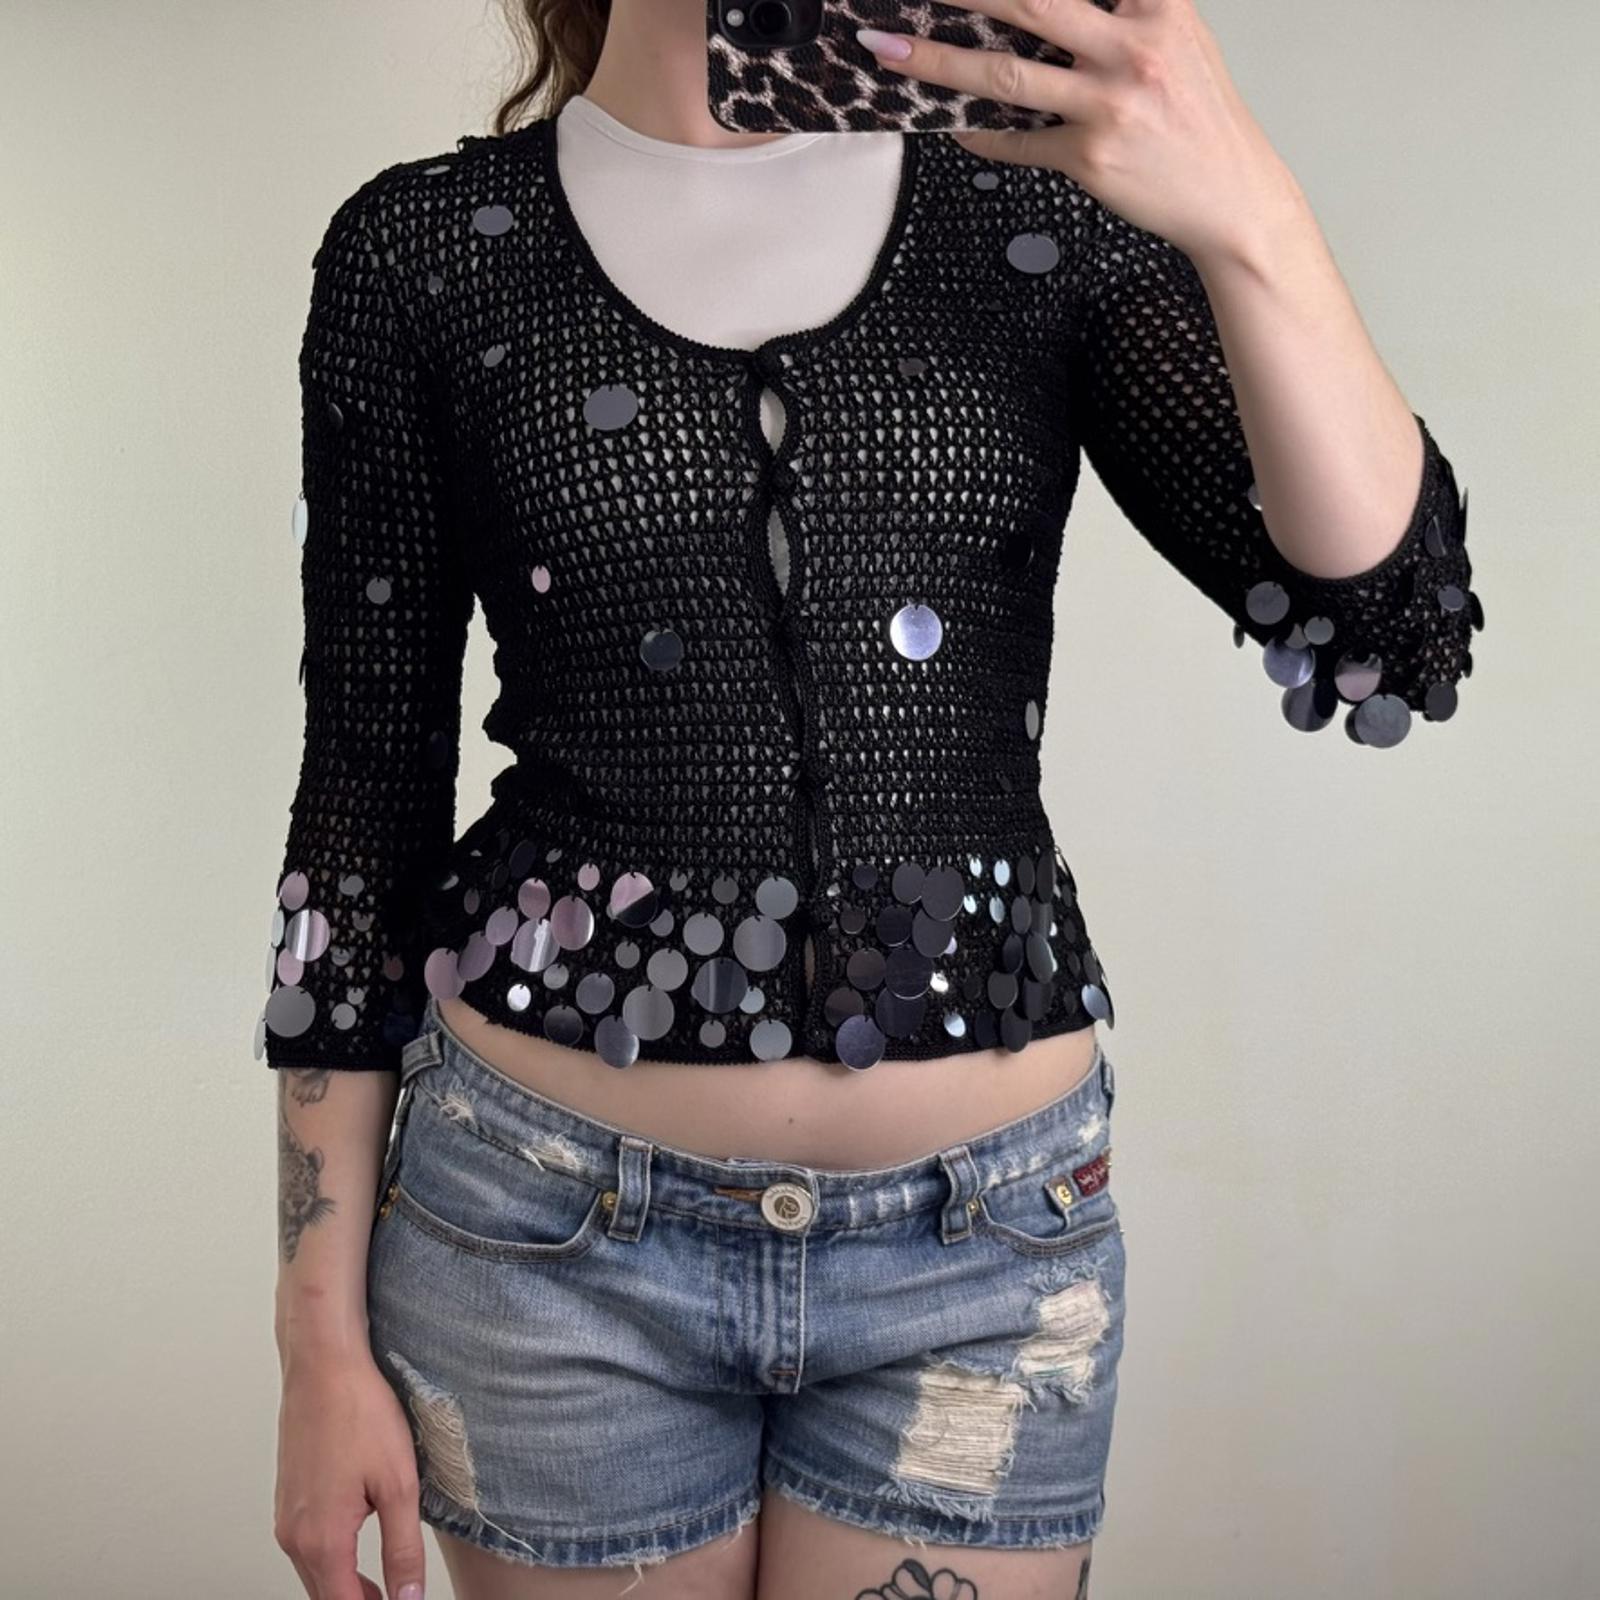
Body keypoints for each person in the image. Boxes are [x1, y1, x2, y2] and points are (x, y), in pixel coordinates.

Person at [264, 2, 1480, 1596]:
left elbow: (1392, 631)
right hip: (539, 1245)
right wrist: (315, 1341)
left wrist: (1247, 205)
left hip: (983, 1268)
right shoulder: (422, 248)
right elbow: (362, 803)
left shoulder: (1039, 212)